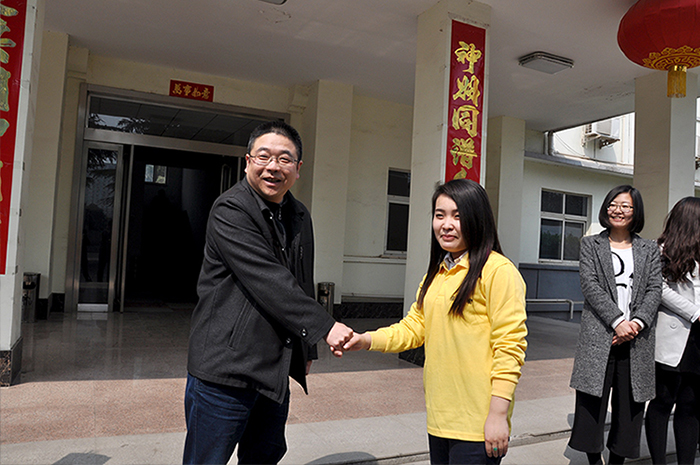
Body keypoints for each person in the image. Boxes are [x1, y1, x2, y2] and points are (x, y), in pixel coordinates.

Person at [183, 121, 354, 465]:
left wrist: (306, 348)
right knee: (206, 459)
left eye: (284, 159)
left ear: (298, 168)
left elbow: (301, 281)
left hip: (273, 368)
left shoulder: (299, 214)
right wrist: (325, 326)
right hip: (225, 368)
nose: (273, 167)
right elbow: (267, 278)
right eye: (264, 156)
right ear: (248, 161)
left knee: (264, 455)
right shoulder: (230, 210)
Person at [344, 179, 527, 465]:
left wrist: (498, 414)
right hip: (441, 418)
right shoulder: (438, 273)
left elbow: (510, 347)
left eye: (458, 216)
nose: (446, 225)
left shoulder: (498, 271)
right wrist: (365, 340)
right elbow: (413, 328)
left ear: (477, 219)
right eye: (440, 215)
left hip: (478, 424)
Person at [568, 185, 661, 465]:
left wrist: (636, 324)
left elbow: (654, 289)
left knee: (630, 407)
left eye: (625, 206)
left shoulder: (649, 248)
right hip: (600, 335)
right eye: (613, 204)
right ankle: (594, 461)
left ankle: (617, 461)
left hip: (636, 339)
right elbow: (590, 285)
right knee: (590, 404)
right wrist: (618, 321)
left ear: (636, 211)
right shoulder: (590, 244)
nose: (617, 210)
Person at [645, 197, 700, 465]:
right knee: (662, 402)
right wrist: (695, 313)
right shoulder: (660, 251)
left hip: (698, 341)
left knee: (690, 406)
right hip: (674, 335)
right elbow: (660, 290)